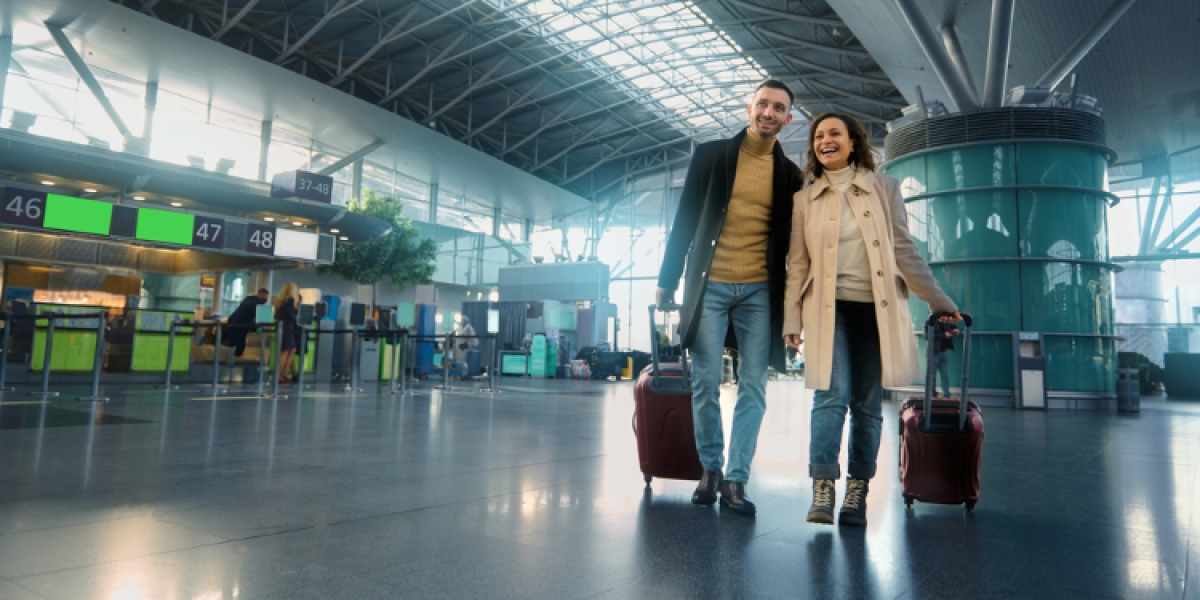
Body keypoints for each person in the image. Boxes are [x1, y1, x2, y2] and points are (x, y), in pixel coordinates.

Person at [782, 112, 961, 527]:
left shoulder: (884, 188)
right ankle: (823, 485)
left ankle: (858, 489)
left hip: (876, 310)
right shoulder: (803, 200)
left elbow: (904, 249)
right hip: (827, 310)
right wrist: (792, 318)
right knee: (830, 394)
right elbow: (798, 264)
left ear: (852, 142)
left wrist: (939, 300)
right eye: (819, 135)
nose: (825, 140)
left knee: (866, 402)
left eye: (835, 133)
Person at [656, 79, 806, 516]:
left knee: (754, 386)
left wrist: (795, 309)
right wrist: (667, 280)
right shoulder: (711, 155)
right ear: (749, 108)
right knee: (705, 381)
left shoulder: (791, 176)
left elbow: (795, 247)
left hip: (760, 290)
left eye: (777, 108)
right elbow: (685, 220)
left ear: (788, 119)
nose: (768, 113)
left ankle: (737, 480)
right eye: (762, 104)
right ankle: (711, 470)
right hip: (710, 285)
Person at [224, 288, 269, 357]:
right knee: (240, 346)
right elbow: (263, 319)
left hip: (233, 322)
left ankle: (231, 359)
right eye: (266, 296)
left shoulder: (248, 299)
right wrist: (257, 328)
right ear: (263, 296)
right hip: (241, 325)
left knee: (233, 342)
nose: (266, 298)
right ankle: (236, 360)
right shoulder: (259, 303)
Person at [272, 283, 300, 384]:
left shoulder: (280, 301)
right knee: (286, 351)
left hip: (282, 327)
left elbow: (276, 315)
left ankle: (282, 374)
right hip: (288, 328)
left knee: (290, 349)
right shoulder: (290, 299)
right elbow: (290, 313)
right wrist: (296, 321)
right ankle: (280, 375)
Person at [931, 319, 960, 398]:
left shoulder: (945, 322)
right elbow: (928, 335)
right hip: (933, 352)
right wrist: (943, 335)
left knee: (945, 374)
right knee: (932, 375)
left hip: (943, 352)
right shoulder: (930, 322)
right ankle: (932, 394)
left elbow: (952, 326)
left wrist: (955, 329)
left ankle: (946, 394)